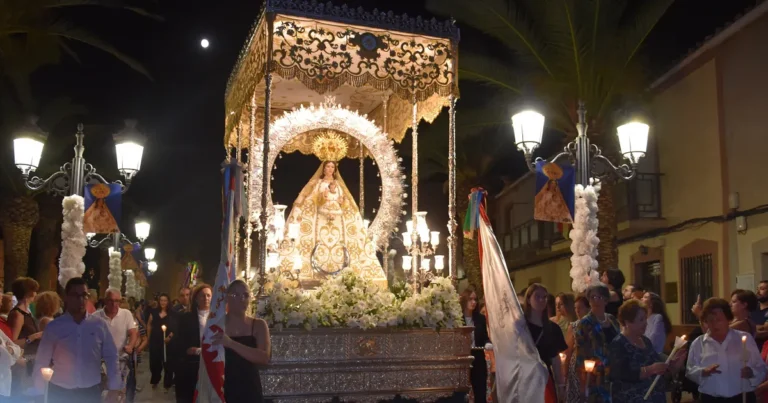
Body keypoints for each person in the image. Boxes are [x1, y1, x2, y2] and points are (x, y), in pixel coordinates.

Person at [281, 159, 386, 287]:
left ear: (335, 170)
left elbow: (347, 202)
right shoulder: (317, 183)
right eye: (328, 167)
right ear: (323, 169)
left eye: (332, 167)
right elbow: (311, 199)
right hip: (320, 219)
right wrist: (321, 198)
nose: (330, 169)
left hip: (337, 221)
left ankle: (342, 271)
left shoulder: (339, 186)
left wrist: (342, 202)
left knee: (342, 244)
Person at [33, 277, 121, 403]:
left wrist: (114, 388)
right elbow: (42, 360)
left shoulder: (99, 325)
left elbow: (111, 357)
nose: (80, 300)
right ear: (67, 297)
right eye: (75, 295)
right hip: (60, 390)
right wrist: (39, 391)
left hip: (90, 391)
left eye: (84, 295)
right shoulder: (54, 327)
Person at [686, 297, 767, 403]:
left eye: (719, 320)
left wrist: (751, 373)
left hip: (741, 397)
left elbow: (761, 368)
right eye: (710, 320)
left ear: (728, 320)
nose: (714, 324)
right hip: (711, 398)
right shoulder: (699, 343)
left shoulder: (744, 339)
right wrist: (703, 372)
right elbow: (690, 370)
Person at [609, 299, 686, 403]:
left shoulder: (646, 341)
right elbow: (621, 374)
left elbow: (658, 374)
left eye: (646, 319)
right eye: (641, 320)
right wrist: (650, 369)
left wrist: (672, 367)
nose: (645, 323)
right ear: (627, 322)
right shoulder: (619, 343)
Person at [210, 280, 270, 401]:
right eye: (236, 295)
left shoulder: (258, 325)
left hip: (250, 388)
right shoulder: (217, 325)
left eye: (245, 295)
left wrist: (231, 343)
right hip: (224, 388)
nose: (242, 299)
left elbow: (264, 357)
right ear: (227, 298)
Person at [570, 284, 620, 403]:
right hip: (595, 376)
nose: (595, 300)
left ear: (606, 300)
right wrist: (583, 385)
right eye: (592, 297)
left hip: (615, 373)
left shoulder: (612, 320)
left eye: (599, 297)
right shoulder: (585, 323)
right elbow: (580, 355)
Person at [524, 284, 567, 402]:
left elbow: (555, 359)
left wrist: (561, 385)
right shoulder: (521, 327)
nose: (542, 300)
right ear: (528, 299)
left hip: (544, 379)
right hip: (525, 380)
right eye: (537, 297)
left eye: (544, 297)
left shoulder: (553, 328)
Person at [94, 288, 138, 401]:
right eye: (110, 301)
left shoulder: (126, 314)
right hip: (101, 360)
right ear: (105, 300)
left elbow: (133, 332)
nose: (114, 304)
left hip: (119, 359)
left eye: (117, 301)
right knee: (101, 390)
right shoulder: (96, 316)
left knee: (116, 391)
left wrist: (130, 346)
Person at [174, 283, 212, 403]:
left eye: (208, 295)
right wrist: (189, 349)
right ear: (196, 298)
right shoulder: (186, 317)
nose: (206, 298)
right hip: (192, 363)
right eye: (202, 296)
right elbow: (180, 340)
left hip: (212, 361)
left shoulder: (218, 317)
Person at [8, 277, 42, 398]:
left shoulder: (27, 312)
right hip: (22, 364)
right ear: (28, 292)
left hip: (30, 362)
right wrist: (33, 337)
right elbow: (12, 343)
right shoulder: (18, 314)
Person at [460, 287, 489, 403]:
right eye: (470, 299)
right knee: (461, 393)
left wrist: (487, 343)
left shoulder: (481, 319)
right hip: (462, 359)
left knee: (480, 391)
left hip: (478, 357)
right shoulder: (456, 318)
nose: (473, 302)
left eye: (475, 299)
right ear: (464, 301)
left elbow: (486, 337)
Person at [146, 293, 174, 391]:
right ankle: (155, 380)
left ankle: (167, 383)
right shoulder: (153, 312)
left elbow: (175, 327)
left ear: (168, 302)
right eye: (161, 300)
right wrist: (148, 338)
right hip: (155, 340)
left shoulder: (172, 313)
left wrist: (170, 337)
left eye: (165, 300)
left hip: (167, 342)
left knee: (167, 363)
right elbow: (149, 324)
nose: (163, 302)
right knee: (155, 362)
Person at [753, 281, 768, 350]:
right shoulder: (753, 308)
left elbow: (765, 329)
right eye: (757, 289)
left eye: (762, 289)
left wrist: (749, 327)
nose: (758, 292)